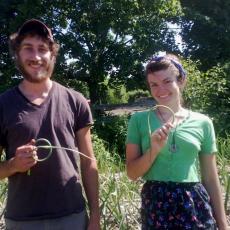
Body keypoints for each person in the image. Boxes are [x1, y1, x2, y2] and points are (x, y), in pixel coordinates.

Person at [0, 19, 100, 230]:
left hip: (72, 217)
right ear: (17, 53)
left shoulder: (76, 100)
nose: (36, 56)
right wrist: (13, 165)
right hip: (22, 221)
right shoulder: (3, 104)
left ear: (52, 55)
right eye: (28, 48)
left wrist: (95, 216)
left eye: (42, 49)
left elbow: (89, 162)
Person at [125, 54, 228, 229]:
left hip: (194, 202)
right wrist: (154, 149)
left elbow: (210, 177)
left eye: (167, 81)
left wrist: (223, 224)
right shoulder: (139, 120)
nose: (160, 90)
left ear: (181, 81)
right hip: (156, 204)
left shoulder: (203, 122)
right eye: (154, 85)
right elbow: (132, 173)